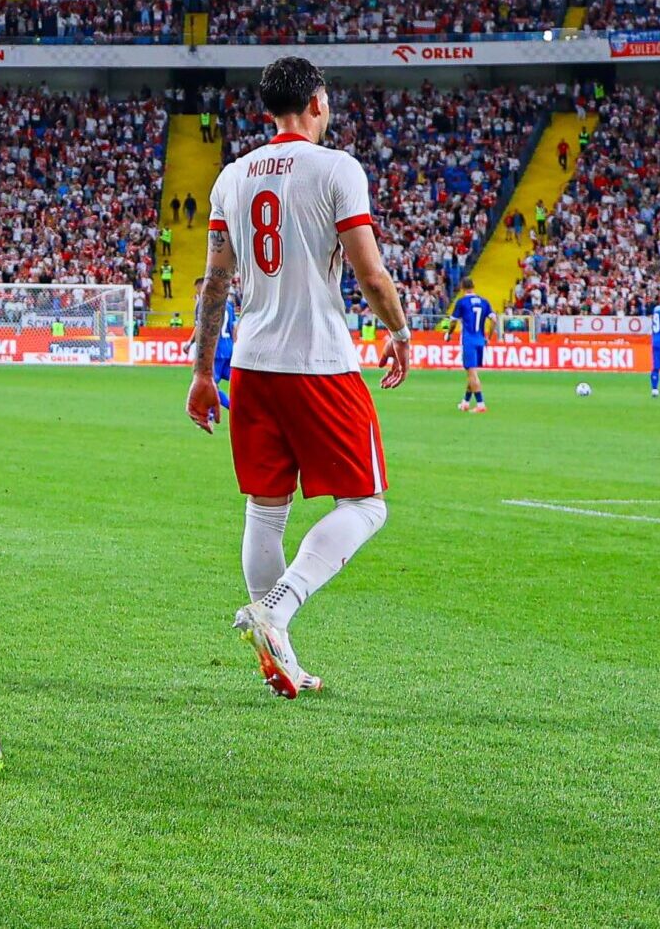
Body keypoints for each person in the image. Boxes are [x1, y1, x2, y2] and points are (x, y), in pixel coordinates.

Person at [187, 55, 411, 699]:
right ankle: (277, 610)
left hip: (253, 365)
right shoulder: (338, 168)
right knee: (366, 504)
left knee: (265, 508)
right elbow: (370, 273)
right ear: (317, 102)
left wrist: (205, 372)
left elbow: (215, 284)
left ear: (268, 109)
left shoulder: (232, 178)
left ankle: (276, 658)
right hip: (318, 363)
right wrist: (397, 332)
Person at [448, 284, 492, 413]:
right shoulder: (484, 301)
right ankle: (465, 402)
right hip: (480, 340)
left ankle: (480, 404)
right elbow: (494, 318)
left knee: (472, 373)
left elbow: (452, 320)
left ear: (462, 288)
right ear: (473, 287)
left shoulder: (462, 302)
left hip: (468, 340)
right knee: (471, 373)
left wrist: (448, 333)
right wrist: (488, 336)